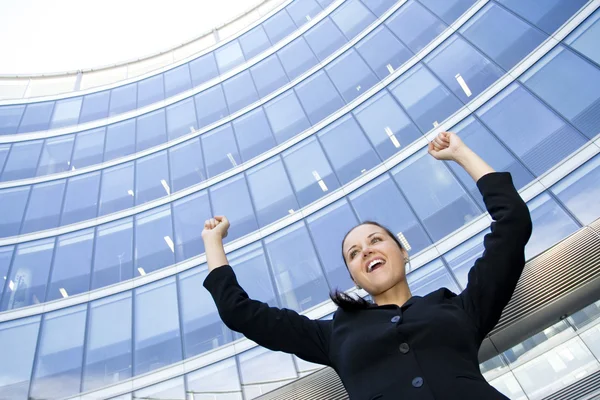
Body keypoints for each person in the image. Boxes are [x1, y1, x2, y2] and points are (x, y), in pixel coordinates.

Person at [202, 131, 532, 400]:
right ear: (355, 278)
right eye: (353, 253)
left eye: (376, 240)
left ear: (402, 251)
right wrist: (213, 242)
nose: (366, 252)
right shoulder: (332, 336)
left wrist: (461, 154)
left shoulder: (462, 308)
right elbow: (239, 312)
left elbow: (512, 224)